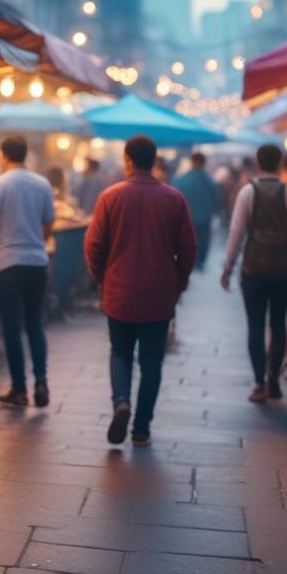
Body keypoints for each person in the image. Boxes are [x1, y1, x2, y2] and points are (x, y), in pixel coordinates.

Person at [85, 136, 196, 446]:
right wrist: (180, 282)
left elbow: (93, 245)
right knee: (151, 362)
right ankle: (142, 429)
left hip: (119, 291)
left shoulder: (110, 197)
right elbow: (188, 248)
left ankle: (121, 401)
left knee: (120, 352)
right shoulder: (174, 199)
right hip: (159, 296)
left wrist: (100, 277)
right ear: (154, 160)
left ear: (127, 159)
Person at [222, 144, 287, 403]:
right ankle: (274, 379)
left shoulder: (247, 192)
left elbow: (236, 233)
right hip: (283, 267)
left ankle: (259, 383)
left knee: (255, 325)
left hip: (253, 268)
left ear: (259, 163)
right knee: (279, 324)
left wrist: (228, 266)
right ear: (281, 163)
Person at [0, 136, 56, 408]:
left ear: (3, 155)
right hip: (37, 263)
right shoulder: (42, 184)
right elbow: (48, 226)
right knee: (34, 325)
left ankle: (19, 389)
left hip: (10, 264)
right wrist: (33, 241)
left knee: (12, 327)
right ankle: (41, 381)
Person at [172, 153, 219, 271]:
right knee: (202, 241)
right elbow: (217, 199)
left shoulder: (181, 180)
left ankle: (189, 263)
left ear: (192, 162)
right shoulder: (211, 182)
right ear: (204, 163)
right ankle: (199, 262)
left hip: (187, 218)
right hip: (205, 218)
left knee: (187, 242)